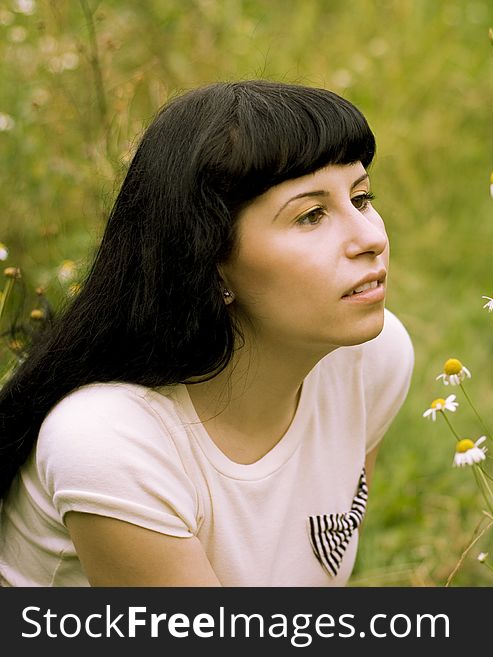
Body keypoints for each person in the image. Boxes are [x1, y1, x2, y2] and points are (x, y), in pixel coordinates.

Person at [0, 80, 414, 586]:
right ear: (210, 260)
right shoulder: (112, 440)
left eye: (361, 198)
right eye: (311, 215)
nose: (371, 238)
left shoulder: (371, 360)